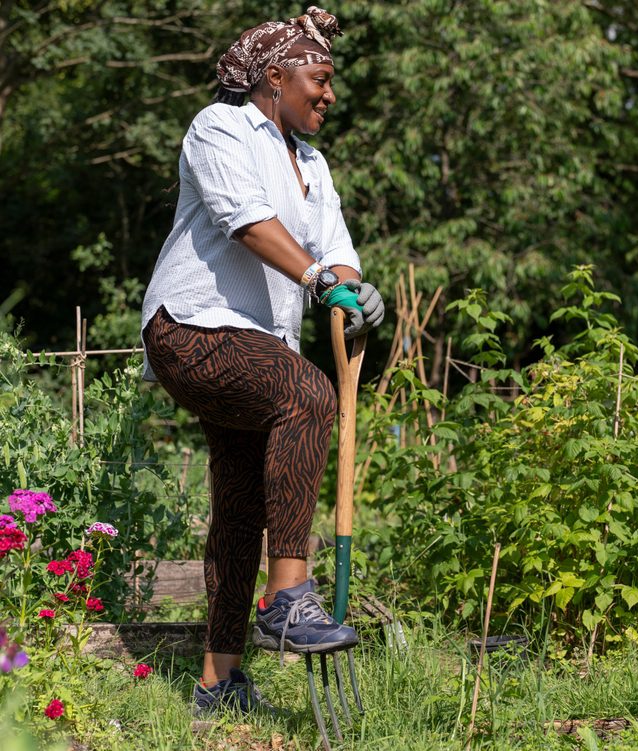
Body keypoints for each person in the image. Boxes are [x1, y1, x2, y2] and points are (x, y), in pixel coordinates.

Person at [140, 6, 384, 714]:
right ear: (275, 78)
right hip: (190, 327)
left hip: (257, 344)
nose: (330, 94)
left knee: (242, 503)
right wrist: (317, 279)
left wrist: (352, 285)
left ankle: (219, 684)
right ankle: (288, 594)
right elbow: (243, 219)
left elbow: (334, 246)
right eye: (320, 77)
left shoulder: (311, 162)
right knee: (307, 396)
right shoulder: (219, 128)